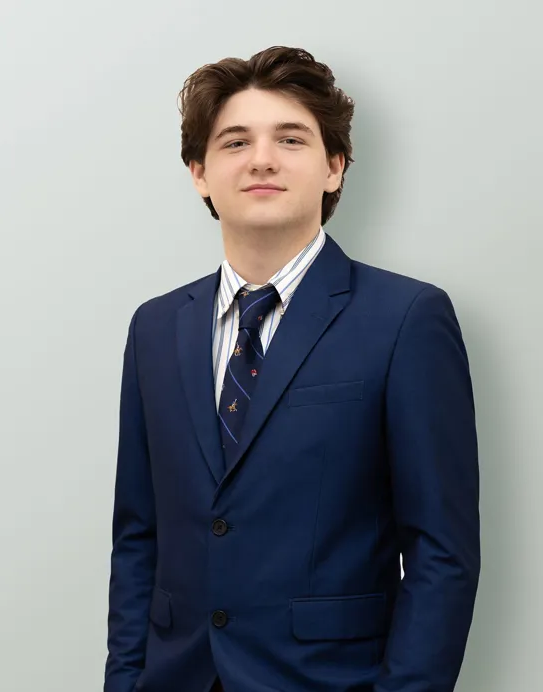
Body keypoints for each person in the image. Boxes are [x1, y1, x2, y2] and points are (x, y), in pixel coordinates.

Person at [104, 46, 480, 692]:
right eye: (235, 142)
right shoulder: (155, 328)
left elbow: (441, 552)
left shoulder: (405, 319)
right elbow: (139, 537)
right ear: (199, 173)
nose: (262, 159)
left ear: (335, 167)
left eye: (291, 138)